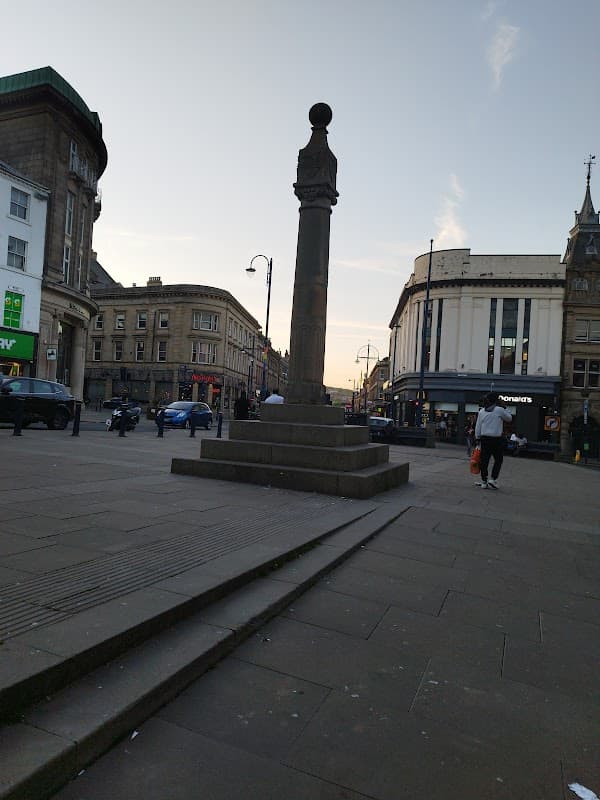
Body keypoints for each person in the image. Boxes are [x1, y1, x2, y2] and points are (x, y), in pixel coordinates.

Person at [474, 392, 512, 489]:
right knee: (498, 459)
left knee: (484, 460)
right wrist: (504, 407)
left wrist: (477, 438)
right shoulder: (499, 410)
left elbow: (478, 426)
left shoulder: (482, 411)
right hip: (496, 439)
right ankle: (493, 479)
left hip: (484, 439)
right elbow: (509, 418)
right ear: (496, 400)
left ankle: (484, 481)